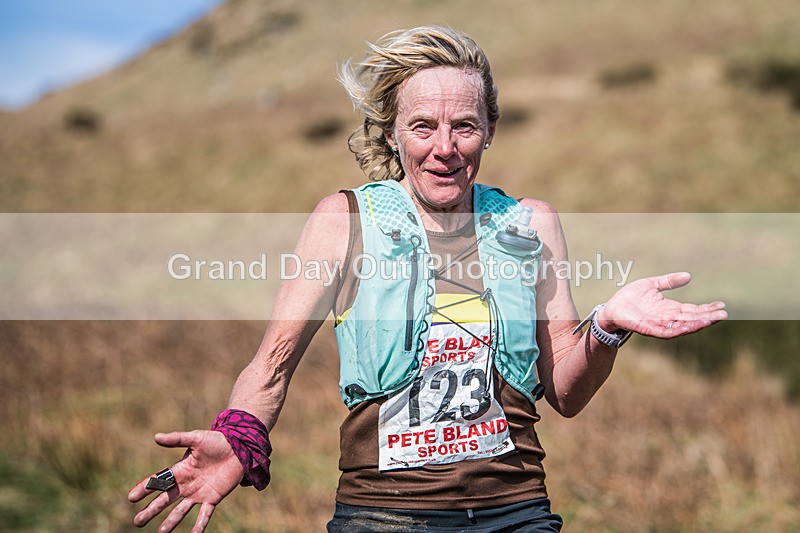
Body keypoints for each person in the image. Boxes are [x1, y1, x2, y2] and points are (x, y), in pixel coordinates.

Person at [129, 26, 727, 532]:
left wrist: (608, 324)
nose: (445, 148)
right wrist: (240, 438)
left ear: (490, 128)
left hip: (516, 512)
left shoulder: (532, 223)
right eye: (423, 126)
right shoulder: (344, 222)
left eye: (465, 126)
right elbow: (272, 364)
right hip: (383, 516)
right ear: (391, 132)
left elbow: (566, 390)